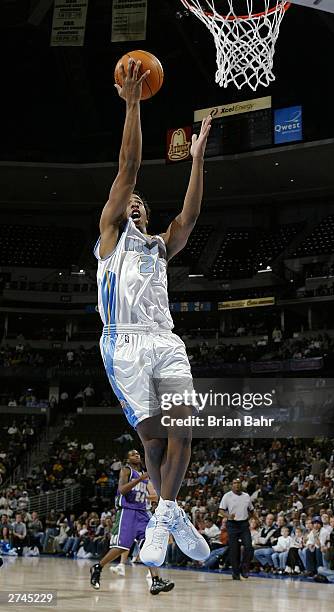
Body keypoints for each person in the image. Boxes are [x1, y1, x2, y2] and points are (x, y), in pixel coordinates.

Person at [94, 56, 212, 568]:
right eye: (130, 201)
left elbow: (191, 215)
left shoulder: (161, 246)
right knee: (154, 441)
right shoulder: (109, 239)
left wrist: (198, 159)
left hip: (162, 338)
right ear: (121, 211)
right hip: (122, 343)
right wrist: (134, 106)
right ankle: (170, 508)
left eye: (141, 202)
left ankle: (164, 513)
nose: (135, 202)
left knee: (184, 426)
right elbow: (129, 167)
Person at [90, 449, 174, 595]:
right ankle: (98, 567)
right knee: (121, 547)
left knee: (148, 546)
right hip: (127, 511)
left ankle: (156, 581)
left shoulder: (144, 475)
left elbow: (151, 495)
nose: (137, 455)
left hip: (142, 513)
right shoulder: (126, 470)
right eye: (133, 454)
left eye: (138, 454)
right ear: (127, 459)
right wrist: (139, 480)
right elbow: (122, 490)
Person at [219, 478, 255, 580]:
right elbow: (221, 510)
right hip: (232, 525)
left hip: (244, 524)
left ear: (241, 485)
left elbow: (251, 510)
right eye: (235, 483)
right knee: (234, 550)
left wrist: (256, 519)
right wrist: (228, 516)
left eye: (239, 483)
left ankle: (244, 567)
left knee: (249, 547)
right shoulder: (227, 496)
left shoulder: (246, 496)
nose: (237, 485)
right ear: (232, 485)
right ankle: (235, 573)